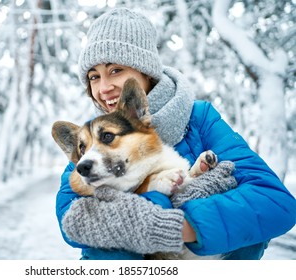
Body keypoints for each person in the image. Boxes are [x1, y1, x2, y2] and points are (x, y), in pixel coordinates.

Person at [55, 7, 296, 260]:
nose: (103, 88)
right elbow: (71, 219)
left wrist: (175, 226)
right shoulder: (91, 141)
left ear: (144, 71)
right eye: (94, 77)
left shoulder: (199, 118)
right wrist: (160, 199)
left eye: (115, 70)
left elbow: (274, 202)